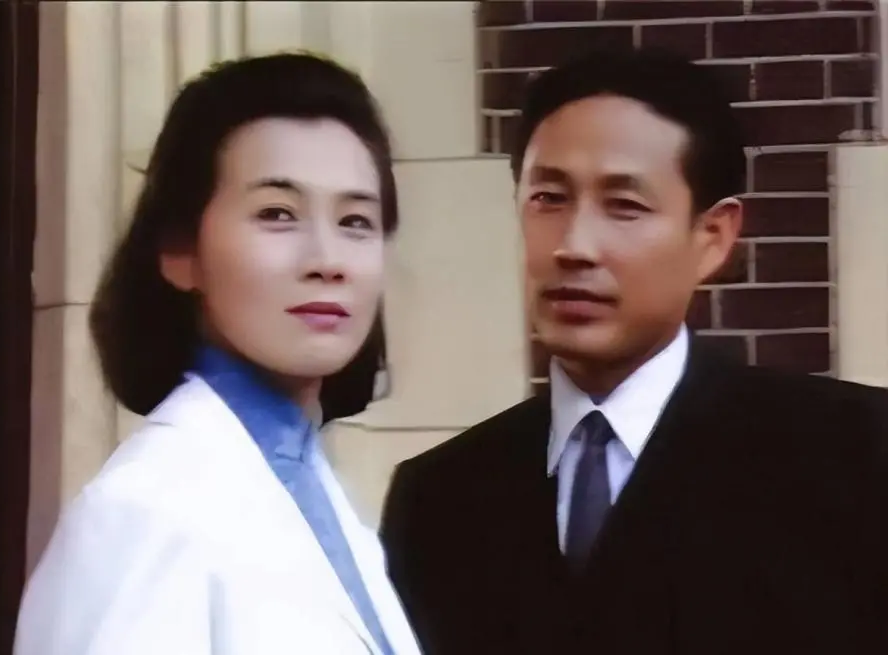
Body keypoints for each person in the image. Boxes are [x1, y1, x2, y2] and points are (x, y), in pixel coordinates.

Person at [380, 49, 888, 655]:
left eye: (625, 206)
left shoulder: (854, 455)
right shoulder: (438, 500)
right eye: (548, 198)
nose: (575, 245)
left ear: (712, 237)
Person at [15, 53, 420, 655]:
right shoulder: (142, 515)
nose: (328, 260)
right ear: (180, 250)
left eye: (356, 221)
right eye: (278, 214)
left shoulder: (325, 501)